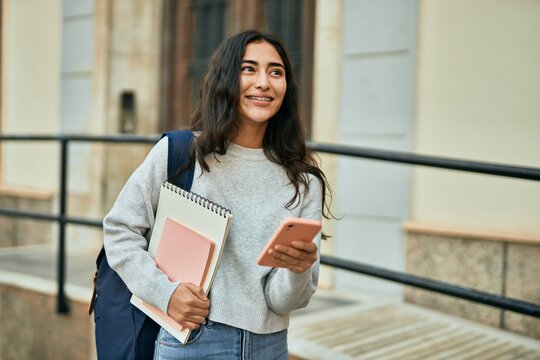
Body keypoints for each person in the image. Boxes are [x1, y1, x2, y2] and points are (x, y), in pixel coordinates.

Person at [103, 30, 332, 359]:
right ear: (226, 78)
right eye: (249, 69)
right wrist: (165, 293)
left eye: (276, 72)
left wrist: (298, 270)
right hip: (191, 341)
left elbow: (283, 301)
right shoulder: (181, 154)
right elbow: (119, 229)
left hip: (269, 346)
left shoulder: (303, 181)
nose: (264, 82)